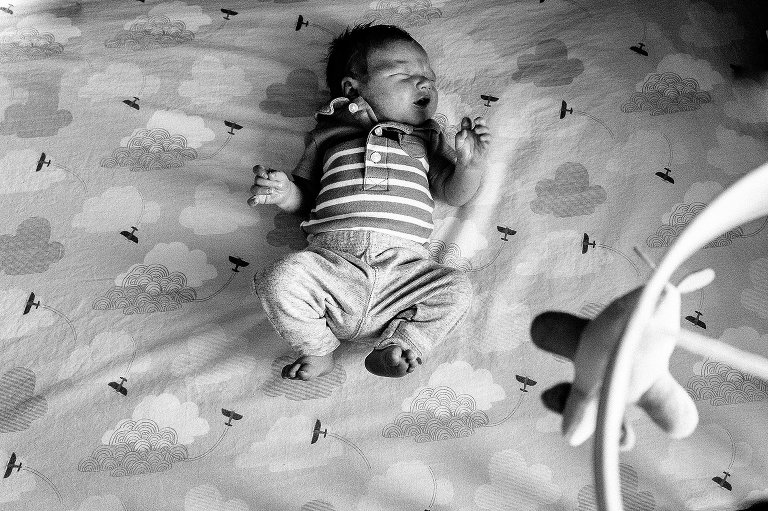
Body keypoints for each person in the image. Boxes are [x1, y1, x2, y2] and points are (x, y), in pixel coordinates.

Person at [249, 23, 491, 380]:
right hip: (332, 265)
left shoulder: (428, 139)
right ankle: (319, 348)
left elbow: (453, 194)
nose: (424, 83)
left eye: (429, 77)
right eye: (403, 74)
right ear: (353, 88)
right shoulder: (330, 135)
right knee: (276, 279)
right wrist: (286, 192)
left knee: (456, 288)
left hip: (404, 273)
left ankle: (400, 342)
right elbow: (308, 199)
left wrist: (470, 166)